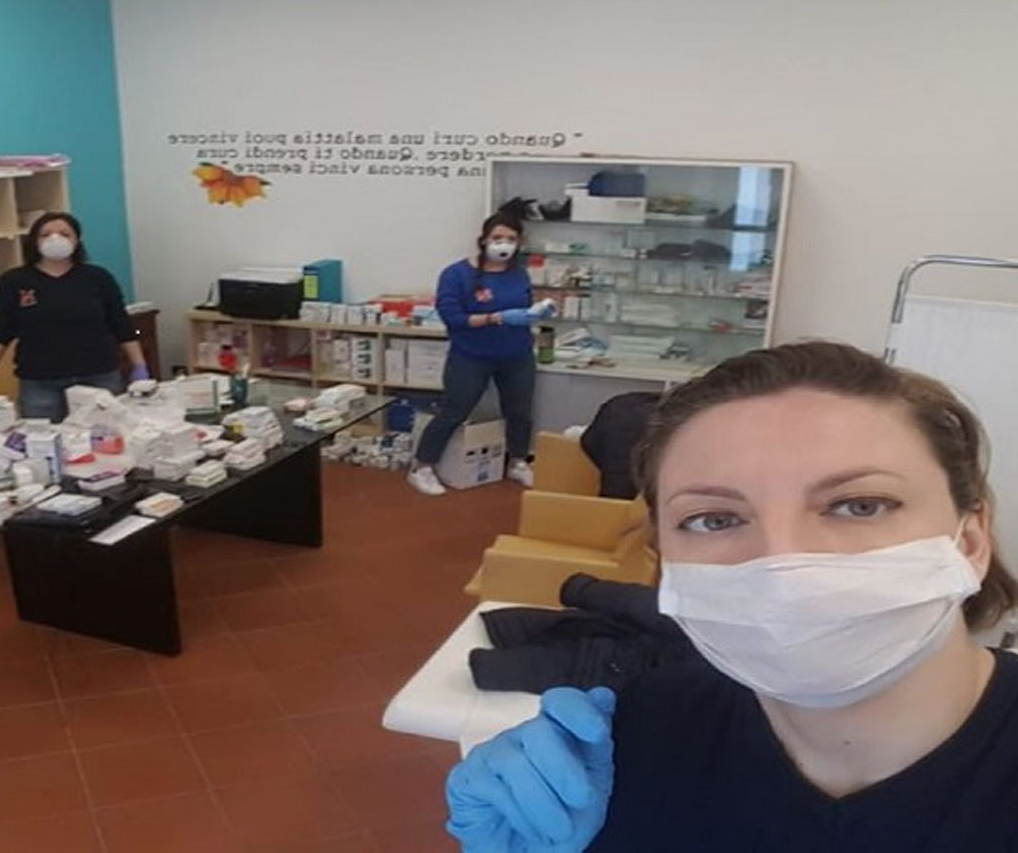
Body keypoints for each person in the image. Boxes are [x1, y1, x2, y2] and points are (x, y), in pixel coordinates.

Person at [445, 341, 1018, 851]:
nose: (781, 562)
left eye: (858, 505)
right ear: (665, 561)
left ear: (970, 541)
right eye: (714, 519)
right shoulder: (644, 731)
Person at [0, 211, 149, 422]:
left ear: (76, 241)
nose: (55, 239)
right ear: (34, 241)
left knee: (105, 435)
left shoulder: (98, 278)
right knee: (42, 439)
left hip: (98, 375)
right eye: (46, 234)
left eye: (64, 234)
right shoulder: (13, 282)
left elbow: (123, 325)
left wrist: (139, 366)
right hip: (40, 382)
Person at [409, 202, 549, 496]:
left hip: (516, 355)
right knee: (454, 411)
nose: (504, 244)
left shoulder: (518, 273)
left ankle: (518, 462)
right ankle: (422, 467)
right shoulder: (456, 274)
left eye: (511, 239)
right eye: (498, 238)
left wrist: (537, 312)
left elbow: (523, 308)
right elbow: (453, 318)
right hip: (471, 356)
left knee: (520, 412)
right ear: (484, 239)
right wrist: (494, 318)